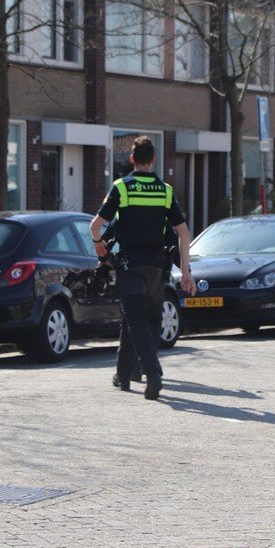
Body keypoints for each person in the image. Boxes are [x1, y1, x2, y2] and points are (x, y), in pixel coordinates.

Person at [90, 137, 196, 401]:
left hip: (130, 265)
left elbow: (95, 226)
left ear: (132, 159)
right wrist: (186, 272)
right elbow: (184, 233)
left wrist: (98, 244)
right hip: (157, 268)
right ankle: (123, 375)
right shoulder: (165, 190)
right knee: (135, 317)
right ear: (154, 160)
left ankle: (153, 373)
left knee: (135, 319)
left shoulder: (122, 187)